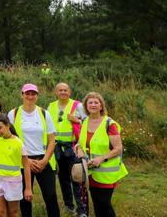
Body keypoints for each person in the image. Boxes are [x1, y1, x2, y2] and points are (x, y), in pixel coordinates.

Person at [8, 83, 59, 217]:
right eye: (27, 93)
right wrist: (26, 161)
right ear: (22, 95)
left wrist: (44, 161)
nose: (30, 96)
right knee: (25, 197)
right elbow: (10, 141)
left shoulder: (44, 114)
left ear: (37, 96)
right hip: (22, 160)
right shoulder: (13, 114)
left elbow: (52, 140)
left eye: (33, 93)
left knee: (50, 196)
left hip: (43, 159)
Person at [74, 92, 127, 217]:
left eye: (96, 102)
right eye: (90, 102)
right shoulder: (85, 121)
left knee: (104, 204)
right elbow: (81, 143)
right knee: (97, 204)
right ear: (86, 106)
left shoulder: (109, 124)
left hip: (106, 173)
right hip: (91, 172)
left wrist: (101, 158)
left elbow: (118, 148)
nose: (93, 105)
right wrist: (79, 149)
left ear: (101, 106)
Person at [48, 83, 87, 216]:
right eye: (60, 90)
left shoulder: (78, 105)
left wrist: (76, 120)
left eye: (65, 90)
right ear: (56, 92)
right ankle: (69, 206)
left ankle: (82, 209)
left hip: (73, 147)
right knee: (63, 178)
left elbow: (87, 123)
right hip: (57, 147)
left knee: (76, 177)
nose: (63, 92)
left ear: (69, 92)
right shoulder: (51, 106)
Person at [0, 114, 32, 217]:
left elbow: (26, 166)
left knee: (13, 213)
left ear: (8, 125)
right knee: (0, 212)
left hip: (12, 181)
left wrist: (28, 188)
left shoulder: (18, 143)